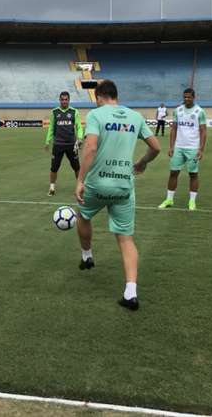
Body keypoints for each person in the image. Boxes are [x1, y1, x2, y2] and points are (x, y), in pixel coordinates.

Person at [75, 80, 160, 311]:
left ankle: (87, 255)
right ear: (116, 95)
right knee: (125, 238)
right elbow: (156, 147)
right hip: (124, 186)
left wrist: (80, 180)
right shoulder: (135, 116)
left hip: (97, 184)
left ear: (98, 96)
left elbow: (90, 147)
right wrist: (142, 163)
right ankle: (131, 292)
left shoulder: (96, 115)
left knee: (83, 216)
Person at [158, 88, 207, 211]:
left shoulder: (199, 111)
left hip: (193, 148)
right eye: (184, 97)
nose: (186, 99)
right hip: (179, 147)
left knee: (193, 174)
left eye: (189, 97)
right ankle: (169, 199)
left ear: (194, 97)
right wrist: (171, 146)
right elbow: (174, 129)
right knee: (173, 173)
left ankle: (192, 201)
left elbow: (203, 131)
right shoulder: (177, 110)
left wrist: (201, 149)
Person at [44, 91, 83, 196]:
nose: (64, 101)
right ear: (59, 100)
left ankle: (79, 187)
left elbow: (79, 126)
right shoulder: (54, 112)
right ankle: (52, 188)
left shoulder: (74, 112)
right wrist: (47, 141)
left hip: (71, 145)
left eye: (66, 99)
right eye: (62, 99)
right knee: (54, 167)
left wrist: (79, 138)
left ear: (69, 100)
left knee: (76, 167)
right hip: (58, 145)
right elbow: (51, 127)